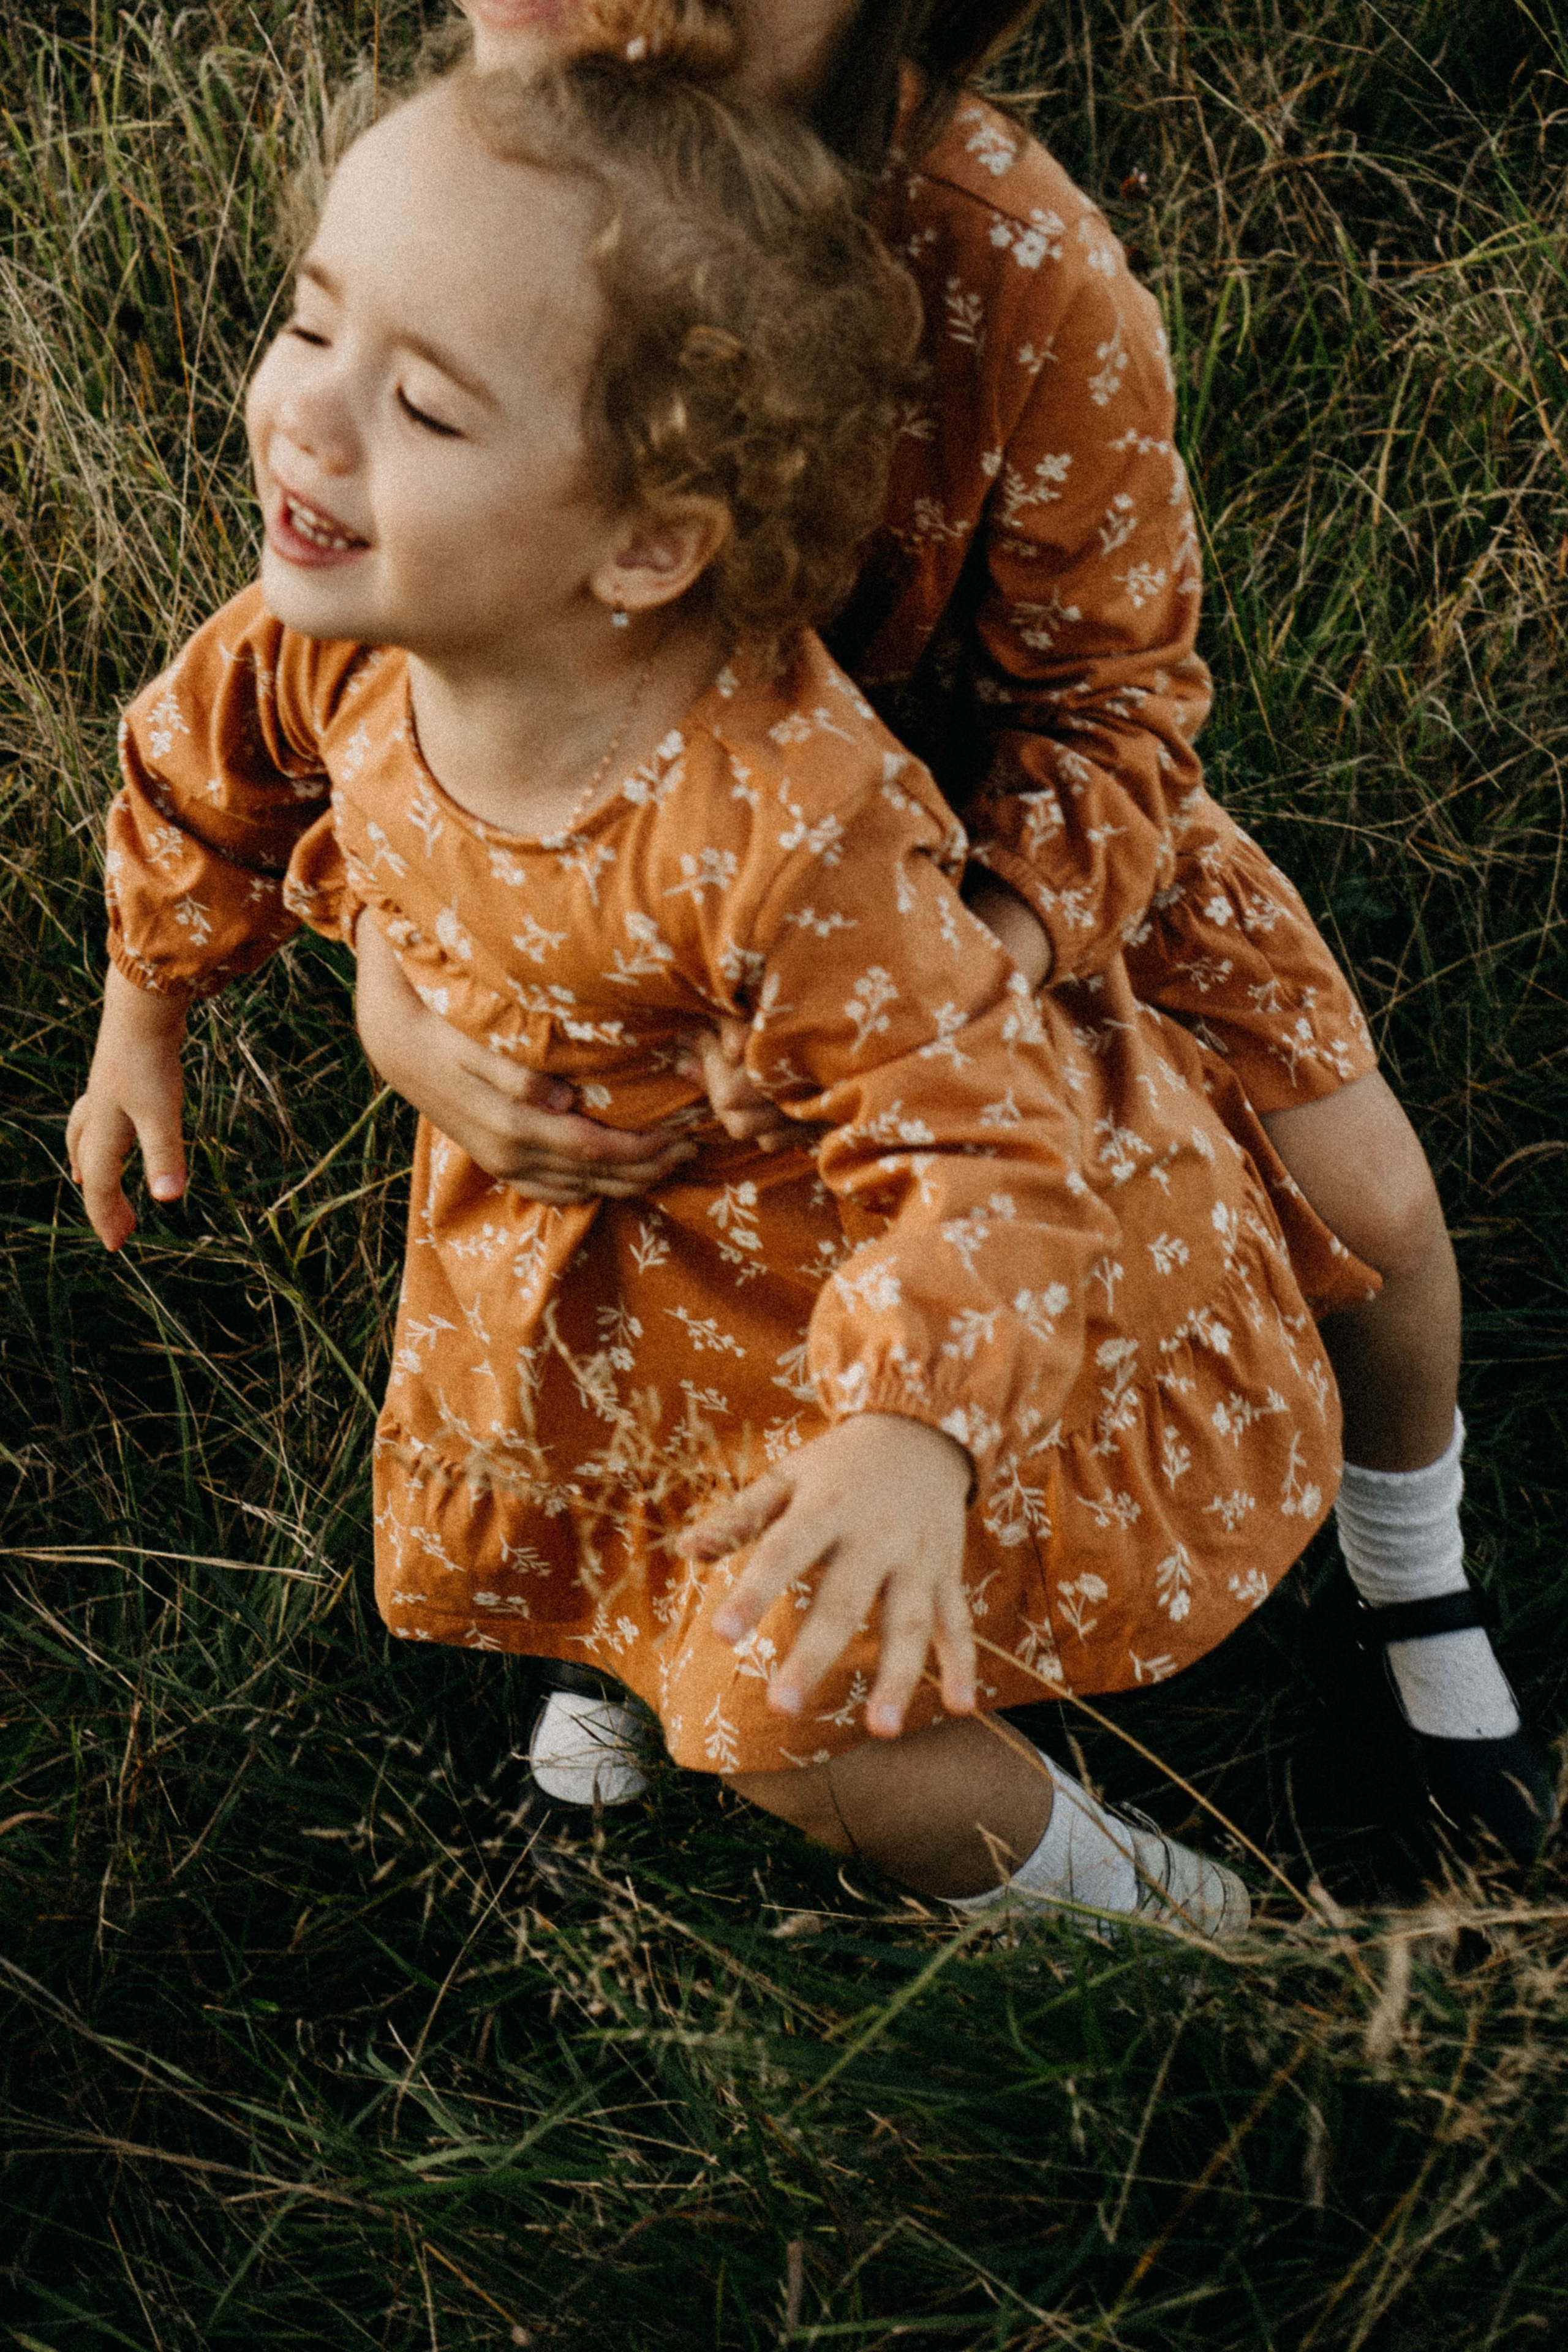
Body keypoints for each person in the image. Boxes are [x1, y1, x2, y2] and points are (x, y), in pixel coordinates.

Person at [66, 1, 1370, 1940]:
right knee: (597, 1491)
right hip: (572, 1220)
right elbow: (204, 776)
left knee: (784, 1700)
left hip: (810, 1230)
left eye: (423, 406)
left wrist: (912, 1426)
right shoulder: (330, 633)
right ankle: (616, 1632)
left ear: (650, 546)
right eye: (309, 321)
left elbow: (986, 1133)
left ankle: (1194, 1934)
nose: (302, 418)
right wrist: (143, 1015)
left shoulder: (790, 821)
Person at [356, 0, 1551, 1863]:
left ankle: (1419, 1583)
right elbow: (372, 626)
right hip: (637, 928)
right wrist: (393, 992)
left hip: (1011, 881)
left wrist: (977, 962)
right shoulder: (496, 178)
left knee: (1375, 1218)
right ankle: (627, 1621)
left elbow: (1119, 706)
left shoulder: (1013, 255)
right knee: (641, 1274)